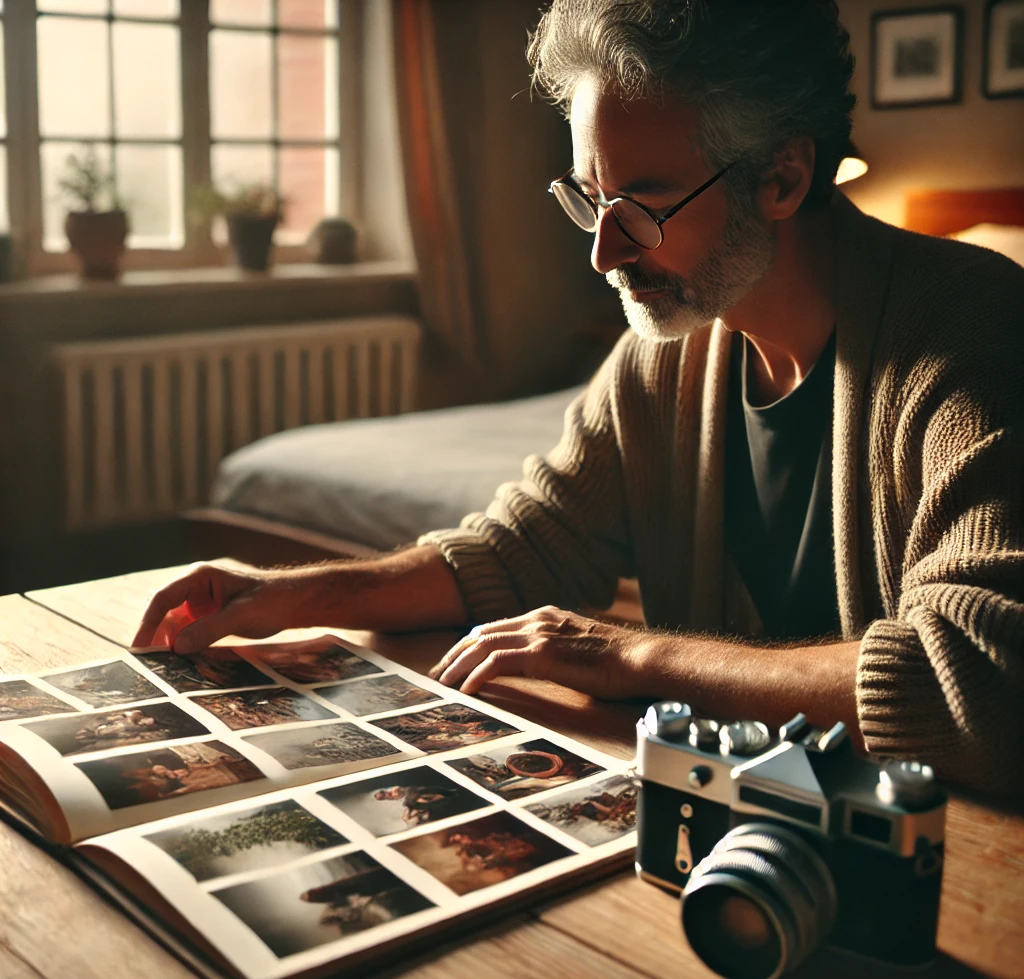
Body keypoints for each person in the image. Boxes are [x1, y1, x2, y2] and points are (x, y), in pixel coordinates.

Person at [133, 0, 1023, 793]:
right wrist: (290, 597)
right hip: (739, 826)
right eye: (590, 197)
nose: (603, 253)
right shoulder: (662, 360)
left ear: (783, 179)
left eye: (642, 202)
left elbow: (980, 679)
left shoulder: (975, 334)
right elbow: (522, 548)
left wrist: (634, 652)